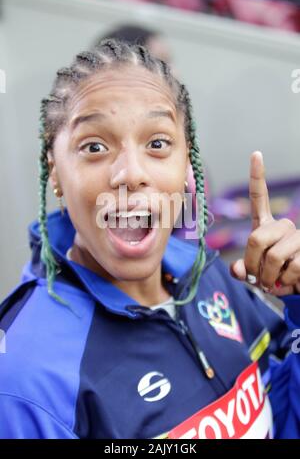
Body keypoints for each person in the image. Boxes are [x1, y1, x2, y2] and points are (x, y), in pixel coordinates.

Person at [0, 39, 300, 439]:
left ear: (186, 163)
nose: (131, 173)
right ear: (53, 170)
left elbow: (283, 404)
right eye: (94, 146)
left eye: (157, 143)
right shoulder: (24, 376)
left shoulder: (207, 272)